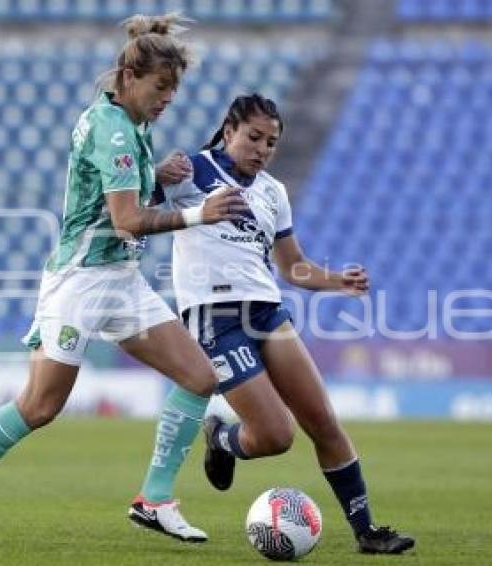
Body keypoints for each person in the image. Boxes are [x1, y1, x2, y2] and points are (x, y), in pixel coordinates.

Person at [0, 13, 249, 546]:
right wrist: (197, 214)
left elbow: (121, 199)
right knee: (40, 406)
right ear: (130, 76)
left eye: (174, 90)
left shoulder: (131, 122)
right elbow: (125, 220)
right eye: (162, 87)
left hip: (121, 278)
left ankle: (155, 499)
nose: (168, 99)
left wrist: (154, 176)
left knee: (199, 376)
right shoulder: (113, 128)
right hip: (81, 282)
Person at [146, 93, 416, 554]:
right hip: (216, 318)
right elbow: (127, 210)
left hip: (268, 312)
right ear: (229, 131)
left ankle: (368, 533)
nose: (262, 149)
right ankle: (222, 436)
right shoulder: (189, 171)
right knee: (276, 437)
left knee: (323, 422)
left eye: (271, 142)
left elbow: (293, 267)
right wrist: (152, 175)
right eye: (254, 137)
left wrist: (337, 280)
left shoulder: (273, 191)